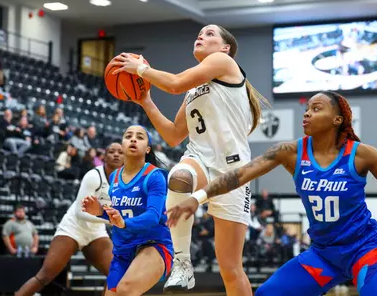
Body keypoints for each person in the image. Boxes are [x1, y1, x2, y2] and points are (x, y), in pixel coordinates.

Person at [167, 91, 377, 295]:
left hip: (363, 249)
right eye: (306, 109)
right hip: (323, 253)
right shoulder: (289, 152)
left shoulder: (361, 155)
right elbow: (240, 174)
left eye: (316, 109)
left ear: (337, 119)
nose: (307, 113)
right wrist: (198, 197)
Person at [110, 24, 269, 295]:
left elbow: (173, 83)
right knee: (179, 177)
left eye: (209, 34)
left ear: (225, 47)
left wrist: (139, 68)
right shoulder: (194, 90)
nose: (201, 36)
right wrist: (146, 100)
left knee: (230, 269)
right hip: (200, 159)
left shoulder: (223, 62)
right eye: (199, 34)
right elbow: (173, 136)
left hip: (233, 171)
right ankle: (182, 263)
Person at [15, 142, 124, 296]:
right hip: (73, 228)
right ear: (104, 157)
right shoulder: (94, 176)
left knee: (117, 274)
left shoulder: (126, 182)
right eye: (112, 151)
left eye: (120, 152)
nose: (116, 155)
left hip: (96, 232)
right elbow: (80, 212)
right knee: (45, 276)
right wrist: (110, 221)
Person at [82, 125, 173, 295]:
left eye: (139, 137)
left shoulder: (155, 176)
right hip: (123, 250)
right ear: (122, 145)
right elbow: (118, 217)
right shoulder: (114, 177)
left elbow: (153, 217)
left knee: (125, 290)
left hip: (154, 244)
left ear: (147, 148)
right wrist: (100, 211)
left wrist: (123, 223)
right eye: (128, 136)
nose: (133, 139)